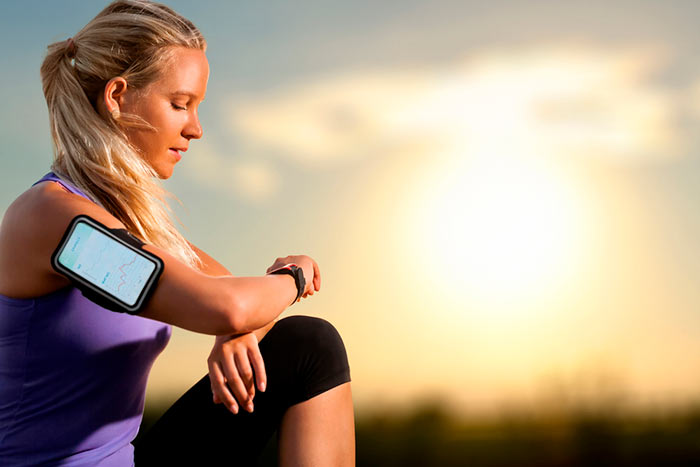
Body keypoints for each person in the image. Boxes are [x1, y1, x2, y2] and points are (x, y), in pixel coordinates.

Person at [0, 1, 354, 465]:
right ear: (118, 96)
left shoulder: (131, 225)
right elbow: (227, 303)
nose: (196, 128)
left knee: (309, 346)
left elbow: (236, 300)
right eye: (180, 104)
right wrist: (294, 276)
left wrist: (233, 331)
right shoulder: (56, 224)